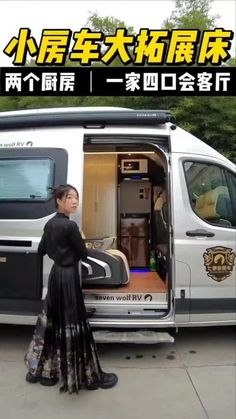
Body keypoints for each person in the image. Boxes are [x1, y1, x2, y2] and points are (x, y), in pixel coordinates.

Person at [24, 184, 118, 394]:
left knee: (51, 321)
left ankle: (44, 372)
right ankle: (83, 374)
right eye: (70, 197)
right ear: (59, 200)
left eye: (76, 197)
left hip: (56, 275)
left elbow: (41, 250)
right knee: (72, 322)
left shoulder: (49, 224)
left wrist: (58, 252)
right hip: (68, 276)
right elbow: (83, 254)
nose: (75, 201)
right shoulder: (70, 226)